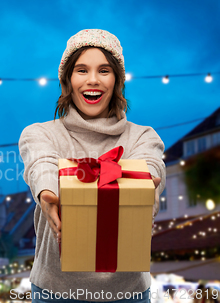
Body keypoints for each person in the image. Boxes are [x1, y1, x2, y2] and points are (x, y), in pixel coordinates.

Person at [18, 29, 166, 303]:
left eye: (104, 70)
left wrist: (146, 186)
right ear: (67, 81)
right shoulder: (40, 133)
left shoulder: (143, 136)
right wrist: (49, 193)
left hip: (129, 293)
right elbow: (42, 163)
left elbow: (151, 166)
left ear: (117, 81)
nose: (93, 81)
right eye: (82, 70)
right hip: (55, 291)